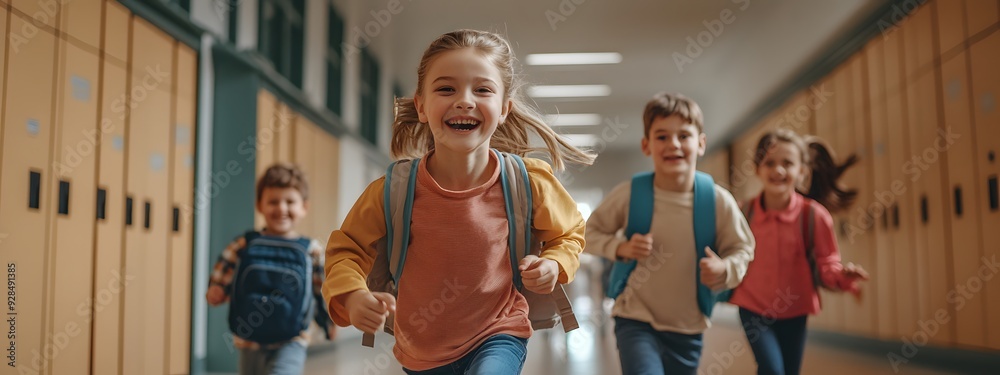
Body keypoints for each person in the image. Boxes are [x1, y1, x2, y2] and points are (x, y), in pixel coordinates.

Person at [321, 29, 595, 375]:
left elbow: (569, 233)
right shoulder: (394, 189)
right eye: (446, 88)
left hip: (500, 331)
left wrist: (554, 263)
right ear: (421, 106)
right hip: (421, 347)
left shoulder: (529, 181)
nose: (465, 100)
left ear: (504, 109)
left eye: (482, 90)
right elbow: (346, 249)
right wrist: (354, 296)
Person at [585, 92, 755, 375]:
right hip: (634, 317)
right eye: (662, 137)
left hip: (689, 324)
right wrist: (620, 247)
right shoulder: (630, 194)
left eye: (684, 136)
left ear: (701, 143)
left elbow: (743, 248)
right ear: (646, 145)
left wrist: (725, 268)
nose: (673, 144)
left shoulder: (716, 200)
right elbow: (586, 232)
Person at [728, 128, 869, 375]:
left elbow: (827, 264)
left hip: (795, 309)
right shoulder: (742, 213)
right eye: (769, 163)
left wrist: (842, 277)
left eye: (787, 163)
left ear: (802, 171)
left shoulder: (813, 216)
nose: (778, 170)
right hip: (753, 308)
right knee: (772, 369)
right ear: (757, 167)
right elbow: (728, 252)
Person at [206, 163, 335, 375]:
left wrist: (327, 322)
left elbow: (319, 290)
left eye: (290, 202)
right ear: (260, 205)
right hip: (249, 339)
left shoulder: (311, 250)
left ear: (304, 207)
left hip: (292, 339)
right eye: (273, 202)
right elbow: (224, 269)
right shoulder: (245, 244)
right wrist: (217, 289)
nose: (281, 208)